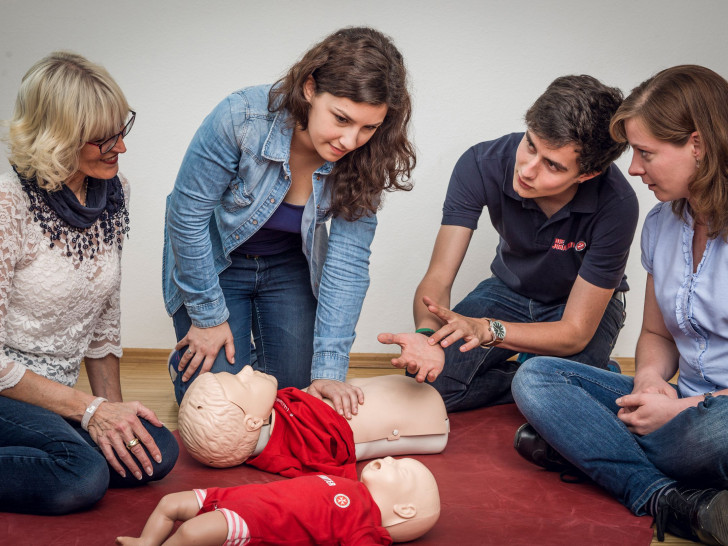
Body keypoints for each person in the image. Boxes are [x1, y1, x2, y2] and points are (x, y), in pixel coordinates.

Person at [511, 65, 728, 545]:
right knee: (540, 376)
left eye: (646, 153)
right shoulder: (661, 223)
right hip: (677, 410)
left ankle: (591, 451)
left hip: (717, 416)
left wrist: (684, 410)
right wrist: (651, 382)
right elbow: (655, 334)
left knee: (719, 431)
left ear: (699, 144)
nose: (633, 169)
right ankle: (669, 499)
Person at [163, 26, 416, 416]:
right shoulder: (241, 117)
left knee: (300, 400)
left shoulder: (370, 155)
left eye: (368, 127)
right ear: (310, 88)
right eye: (341, 118)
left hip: (286, 266)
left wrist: (330, 369)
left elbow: (348, 262)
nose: (350, 141)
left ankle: (256, 367)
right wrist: (207, 318)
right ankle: (195, 361)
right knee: (221, 410)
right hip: (217, 263)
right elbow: (186, 218)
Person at [379, 75, 638, 412]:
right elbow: (439, 277)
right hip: (509, 291)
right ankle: (528, 378)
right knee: (432, 387)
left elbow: (574, 331)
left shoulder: (618, 203)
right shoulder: (480, 162)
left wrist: (490, 330)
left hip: (576, 307)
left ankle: (556, 377)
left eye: (552, 165)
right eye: (530, 144)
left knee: (552, 397)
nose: (528, 170)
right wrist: (427, 334)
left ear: (587, 174)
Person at [0, 52, 178, 515]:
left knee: (155, 452)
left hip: (59, 399)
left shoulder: (111, 192)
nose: (120, 148)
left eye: (123, 130)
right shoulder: (8, 205)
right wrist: (89, 411)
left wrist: (116, 415)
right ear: (57, 139)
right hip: (5, 391)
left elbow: (103, 316)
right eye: (103, 139)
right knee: (80, 474)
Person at [177, 366, 449, 476]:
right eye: (242, 382)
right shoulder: (298, 451)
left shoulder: (268, 415)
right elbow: (337, 474)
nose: (247, 369)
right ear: (252, 423)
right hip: (427, 418)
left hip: (408, 394)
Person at [116, 456, 440, 545]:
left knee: (190, 533)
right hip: (238, 496)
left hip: (256, 521)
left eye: (402, 470)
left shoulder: (365, 527)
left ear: (405, 509)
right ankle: (147, 542)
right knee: (171, 503)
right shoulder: (349, 482)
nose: (391, 459)